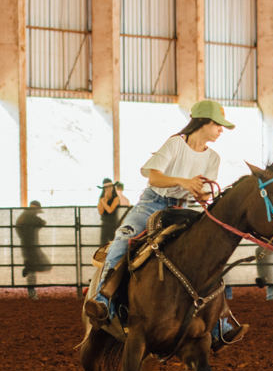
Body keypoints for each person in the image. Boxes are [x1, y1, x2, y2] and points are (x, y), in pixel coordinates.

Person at [84, 99, 245, 348]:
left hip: (183, 209)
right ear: (204, 122)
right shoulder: (175, 144)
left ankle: (218, 321)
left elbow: (200, 191)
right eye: (218, 124)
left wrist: (201, 194)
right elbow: (153, 176)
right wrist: (184, 182)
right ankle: (101, 300)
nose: (221, 130)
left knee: (207, 253)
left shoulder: (213, 158)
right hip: (153, 203)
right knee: (123, 238)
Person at [15, 200, 52, 300]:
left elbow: (18, 228)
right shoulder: (31, 218)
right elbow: (41, 222)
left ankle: (31, 289)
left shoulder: (22, 217)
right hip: (32, 245)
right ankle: (31, 291)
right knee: (40, 266)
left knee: (33, 267)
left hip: (26, 245)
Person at [98, 178, 123, 246]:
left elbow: (110, 210)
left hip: (113, 224)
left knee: (114, 244)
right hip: (104, 224)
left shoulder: (116, 198)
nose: (108, 188)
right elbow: (101, 212)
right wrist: (105, 199)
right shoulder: (102, 197)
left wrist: (103, 202)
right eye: (106, 187)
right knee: (103, 245)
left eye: (110, 186)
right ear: (104, 188)